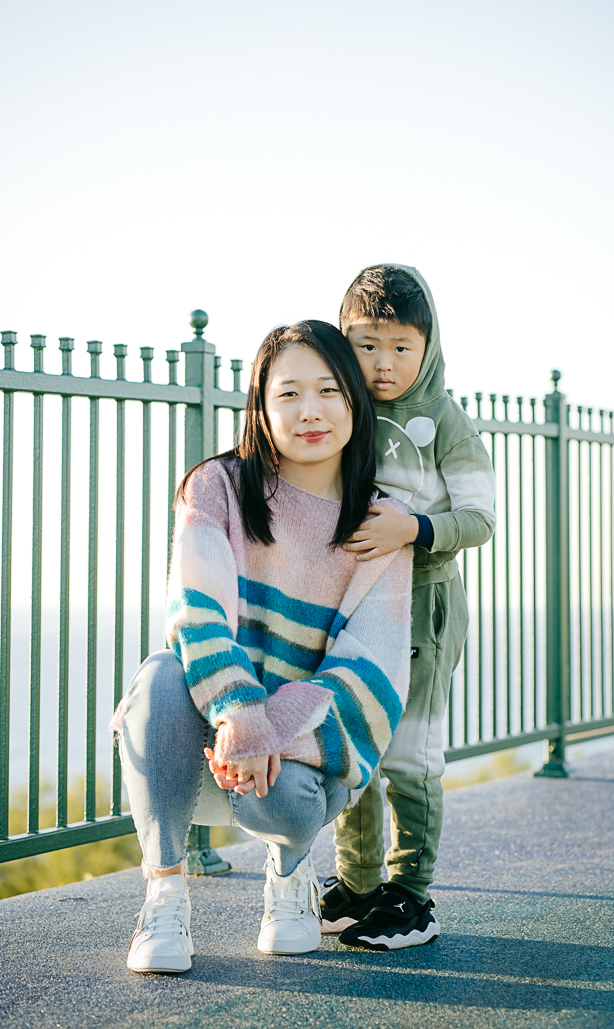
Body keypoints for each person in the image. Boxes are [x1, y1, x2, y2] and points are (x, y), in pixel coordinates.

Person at [113, 319, 413, 972]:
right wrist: (242, 717)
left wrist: (272, 733)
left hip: (297, 763)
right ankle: (164, 892)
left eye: (329, 390)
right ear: (261, 405)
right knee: (162, 675)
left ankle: (289, 876)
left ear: (354, 402)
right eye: (289, 394)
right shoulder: (217, 488)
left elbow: (375, 667)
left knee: (282, 797)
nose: (311, 411)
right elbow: (197, 612)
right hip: (214, 743)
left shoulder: (379, 522)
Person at [318, 264, 496, 950]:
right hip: (350, 607)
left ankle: (411, 897)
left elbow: (480, 520)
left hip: (423, 606)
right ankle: (357, 886)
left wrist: (413, 529)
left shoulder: (444, 420)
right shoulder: (338, 408)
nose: (383, 363)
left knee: (408, 756)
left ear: (428, 345)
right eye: (365, 344)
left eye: (400, 345)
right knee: (351, 744)